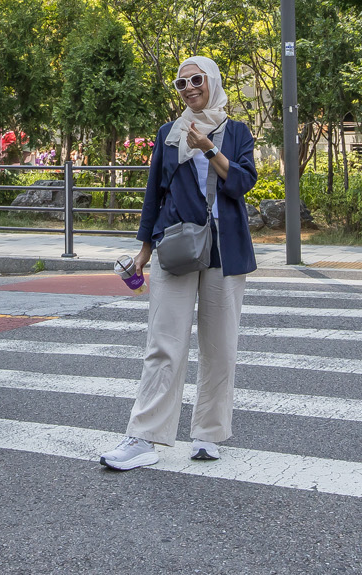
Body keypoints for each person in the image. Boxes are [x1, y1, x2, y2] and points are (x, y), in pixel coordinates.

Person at [103, 56, 257, 471]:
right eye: (180, 82)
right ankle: (144, 437)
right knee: (163, 344)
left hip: (226, 251)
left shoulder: (236, 132)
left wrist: (210, 149)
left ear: (212, 82)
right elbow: (155, 191)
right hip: (175, 246)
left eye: (196, 79)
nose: (188, 87)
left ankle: (208, 435)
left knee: (219, 347)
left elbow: (243, 182)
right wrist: (143, 251)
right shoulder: (168, 134)